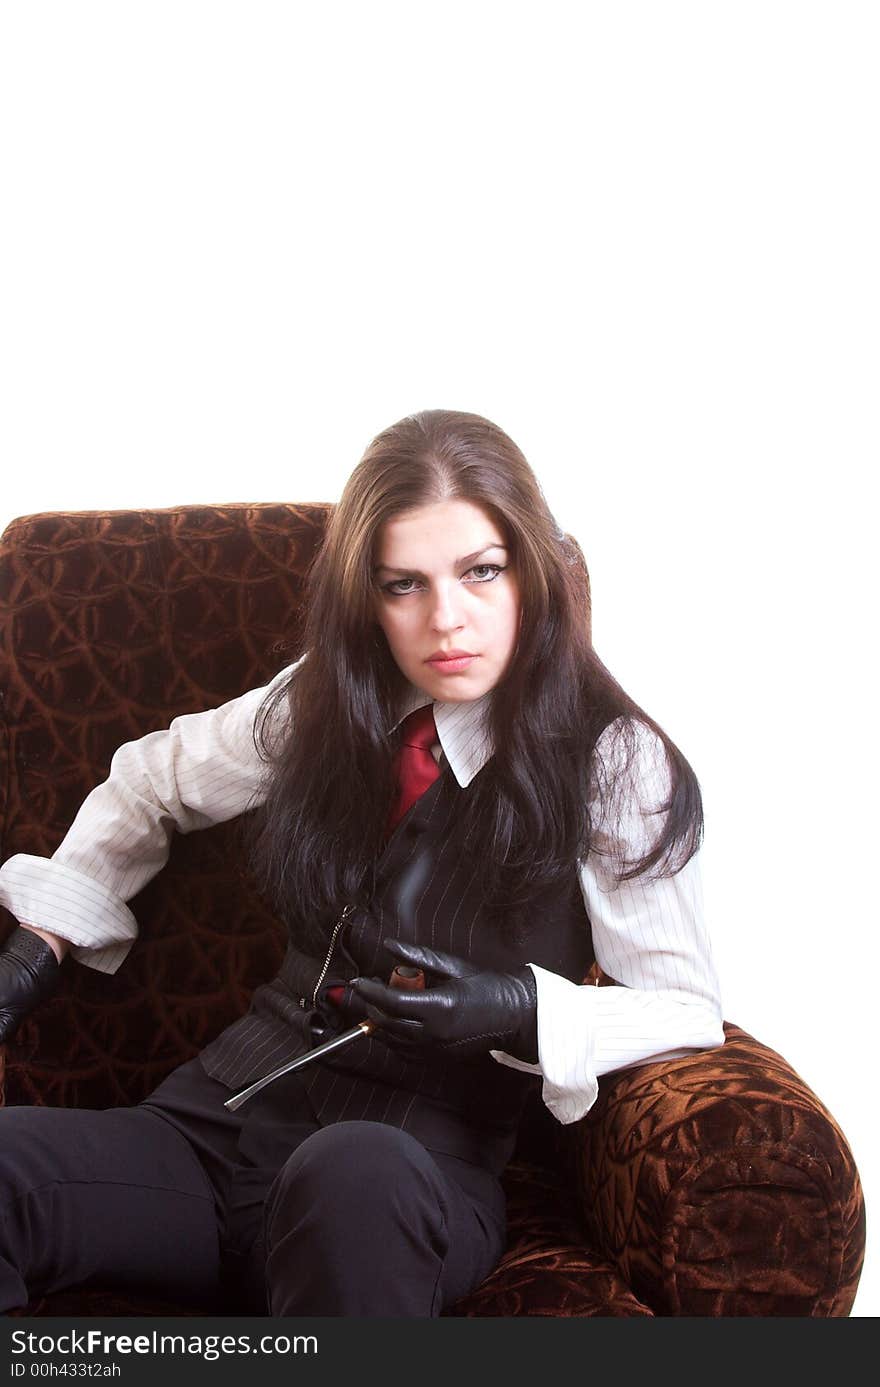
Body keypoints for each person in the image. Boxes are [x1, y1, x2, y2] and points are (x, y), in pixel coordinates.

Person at [0, 408, 724, 1317]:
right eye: (403, 585)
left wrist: (527, 1008)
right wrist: (46, 937)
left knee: (356, 1173)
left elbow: (687, 1006)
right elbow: (153, 779)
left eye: (480, 571)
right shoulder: (325, 699)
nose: (445, 620)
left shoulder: (615, 760)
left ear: (530, 571)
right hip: (213, 1126)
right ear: (367, 597)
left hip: (403, 1167)